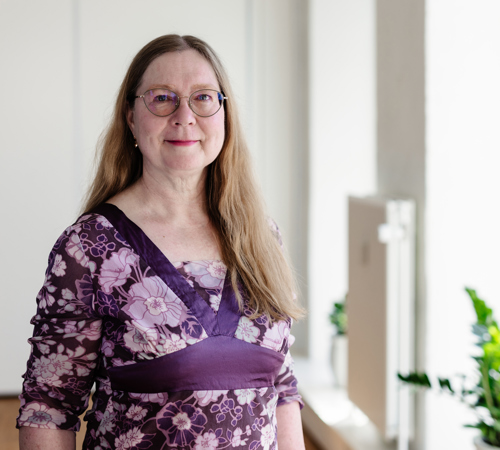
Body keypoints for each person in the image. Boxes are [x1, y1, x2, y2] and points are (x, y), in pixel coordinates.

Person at [17, 34, 306, 450]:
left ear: (225, 114)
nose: (184, 116)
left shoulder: (262, 235)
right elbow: (49, 406)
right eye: (162, 98)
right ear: (131, 118)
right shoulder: (91, 246)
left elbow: (282, 385)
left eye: (202, 98)